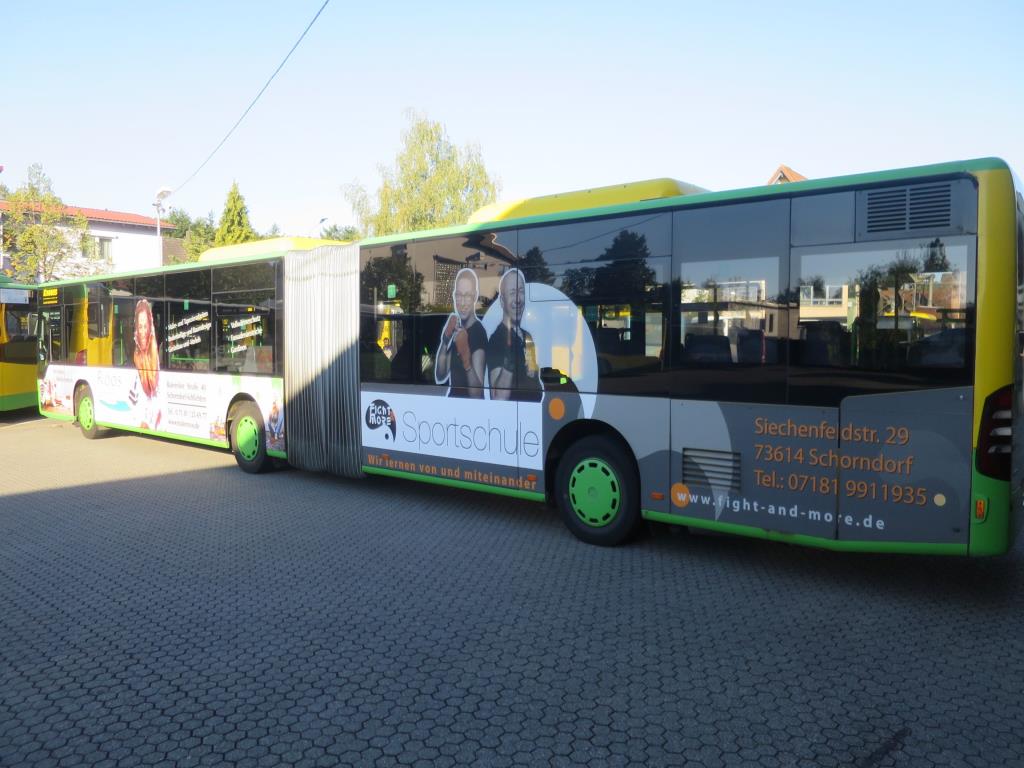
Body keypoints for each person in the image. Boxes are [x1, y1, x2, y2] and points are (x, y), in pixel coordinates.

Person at [486, 269, 542, 402]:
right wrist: (509, 361)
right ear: (502, 301)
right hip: (509, 418)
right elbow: (498, 398)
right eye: (512, 293)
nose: (518, 299)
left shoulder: (527, 337)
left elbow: (535, 381)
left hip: (531, 412)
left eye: (521, 292)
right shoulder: (496, 339)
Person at [435, 268, 487, 398]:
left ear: (475, 296)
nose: (462, 302)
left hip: (468, 411)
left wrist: (466, 359)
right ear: (454, 296)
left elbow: (477, 393)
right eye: (459, 295)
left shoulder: (477, 333)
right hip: (455, 406)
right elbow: (440, 375)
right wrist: (445, 340)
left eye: (467, 296)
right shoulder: (458, 331)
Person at [129, 298, 162, 430]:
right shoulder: (137, 355)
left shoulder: (153, 353)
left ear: (150, 327)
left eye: (145, 326)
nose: (142, 332)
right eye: (140, 327)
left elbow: (157, 401)